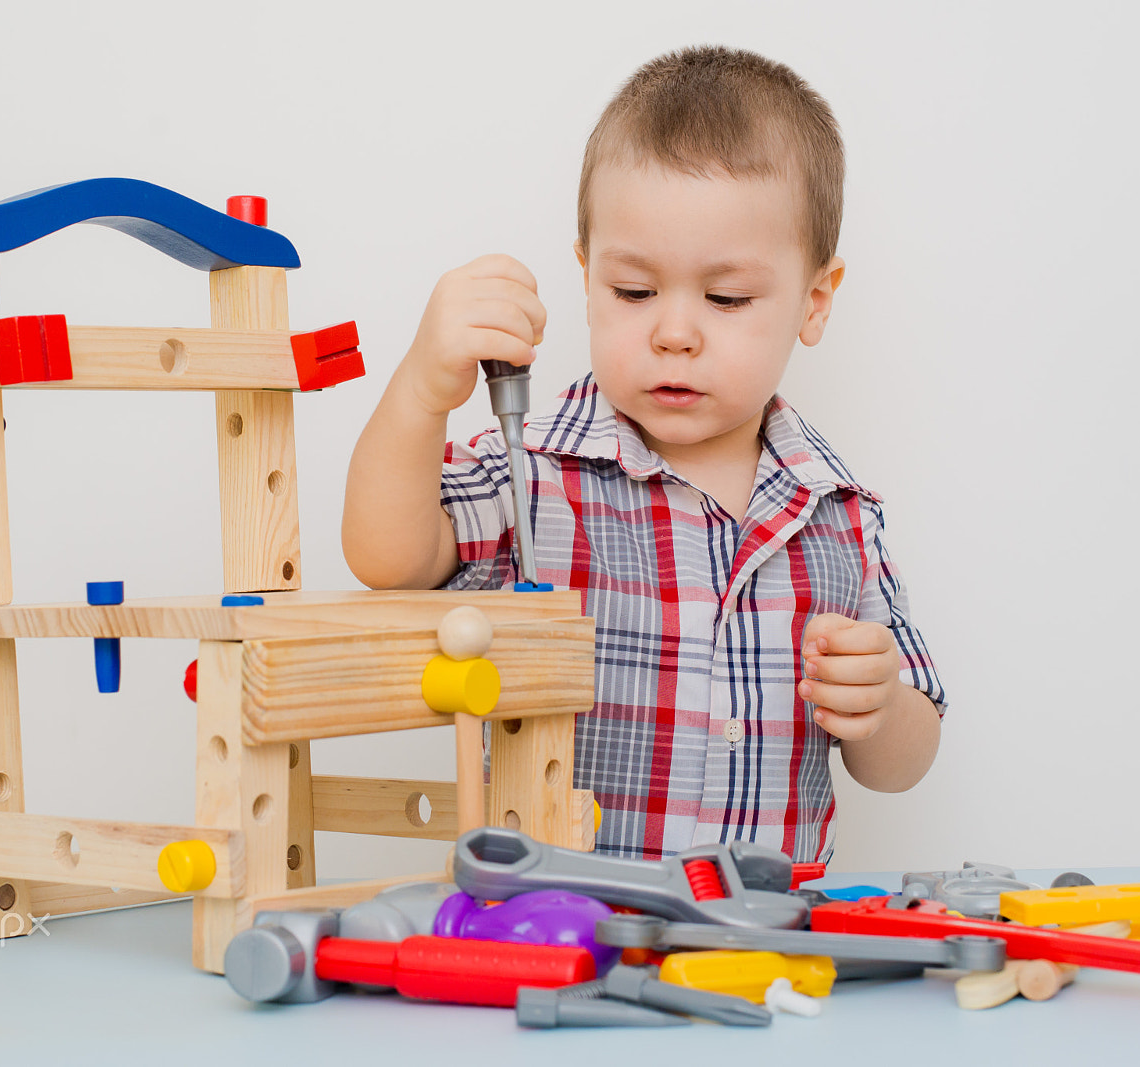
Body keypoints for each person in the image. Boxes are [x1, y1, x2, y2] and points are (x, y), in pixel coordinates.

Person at [344, 45, 944, 863]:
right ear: (587, 278)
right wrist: (420, 387)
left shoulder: (836, 513)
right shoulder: (538, 473)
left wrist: (879, 707)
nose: (674, 331)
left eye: (726, 298)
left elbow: (903, 762)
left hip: (763, 950)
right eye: (634, 291)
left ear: (814, 300)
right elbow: (387, 556)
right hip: (564, 931)